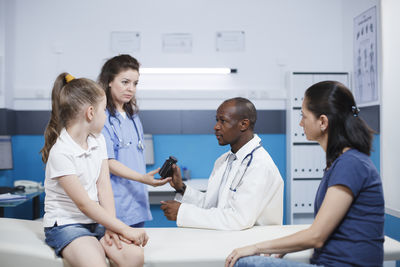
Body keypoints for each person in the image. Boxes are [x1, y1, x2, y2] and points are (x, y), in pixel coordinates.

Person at [225, 81, 384, 267]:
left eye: (304, 116)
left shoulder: (351, 164)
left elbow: (316, 236)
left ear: (323, 122)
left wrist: (256, 247)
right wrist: (280, 248)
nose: (300, 123)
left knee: (244, 262)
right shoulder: (342, 163)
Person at [41, 73, 148, 267]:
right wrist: (124, 228)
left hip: (95, 222)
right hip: (67, 224)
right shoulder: (61, 152)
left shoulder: (98, 141)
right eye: (103, 111)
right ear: (90, 113)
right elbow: (85, 205)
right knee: (95, 263)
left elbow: (104, 187)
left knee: (134, 256)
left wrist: (111, 226)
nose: (106, 117)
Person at [160, 97, 284, 230]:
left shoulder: (259, 165)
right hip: (230, 240)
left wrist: (182, 212)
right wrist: (181, 188)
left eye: (223, 121)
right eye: (216, 120)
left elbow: (238, 219)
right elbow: (212, 206)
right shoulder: (224, 160)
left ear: (244, 124)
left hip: (256, 245)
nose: (216, 127)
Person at [98, 54, 171, 228]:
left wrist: (143, 179)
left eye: (135, 83)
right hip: (115, 203)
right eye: (125, 82)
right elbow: (107, 162)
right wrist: (142, 178)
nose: (131, 88)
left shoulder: (133, 117)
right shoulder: (102, 118)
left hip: (137, 201)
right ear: (109, 81)